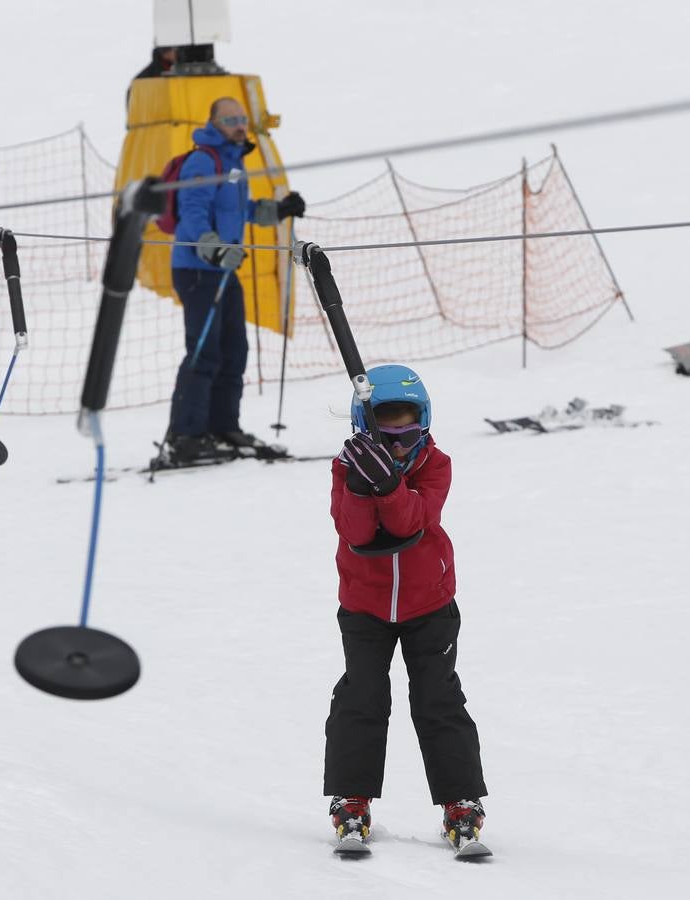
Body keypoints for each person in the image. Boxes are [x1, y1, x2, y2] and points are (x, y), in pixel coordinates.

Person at [324, 365, 489, 852]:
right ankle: (351, 797)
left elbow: (411, 522)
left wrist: (389, 487)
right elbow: (355, 535)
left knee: (439, 699)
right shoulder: (344, 467)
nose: (398, 448)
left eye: (407, 434)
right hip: (364, 608)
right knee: (362, 697)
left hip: (429, 605)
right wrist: (359, 486)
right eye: (386, 436)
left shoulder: (435, 465)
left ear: (425, 425)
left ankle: (461, 803)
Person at [155, 97, 305, 465]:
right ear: (214, 123)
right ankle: (186, 436)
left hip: (223, 270)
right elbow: (192, 213)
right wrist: (214, 249)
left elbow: (241, 210)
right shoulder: (204, 160)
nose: (239, 125)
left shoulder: (235, 161)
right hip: (197, 270)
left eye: (242, 118)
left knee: (234, 350)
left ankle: (223, 427)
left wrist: (277, 209)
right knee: (204, 351)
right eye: (230, 119)